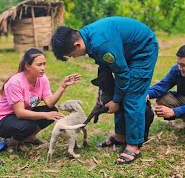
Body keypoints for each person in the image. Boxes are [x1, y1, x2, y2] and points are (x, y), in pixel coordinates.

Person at [51, 16, 158, 164]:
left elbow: (122, 73)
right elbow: (105, 68)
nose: (74, 57)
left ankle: (134, 145)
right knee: (119, 92)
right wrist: (103, 94)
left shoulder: (101, 43)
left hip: (143, 50)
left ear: (77, 44)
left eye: (72, 55)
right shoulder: (88, 38)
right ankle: (121, 135)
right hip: (126, 51)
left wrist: (115, 100)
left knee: (132, 96)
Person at [0, 48, 81, 157]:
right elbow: (20, 113)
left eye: (44, 64)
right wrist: (45, 115)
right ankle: (12, 144)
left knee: (52, 111)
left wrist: (63, 86)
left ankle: (29, 137)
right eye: (39, 65)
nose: (43, 68)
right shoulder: (15, 82)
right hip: (2, 120)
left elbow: (50, 103)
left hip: (20, 116)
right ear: (27, 66)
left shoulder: (42, 79)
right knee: (27, 125)